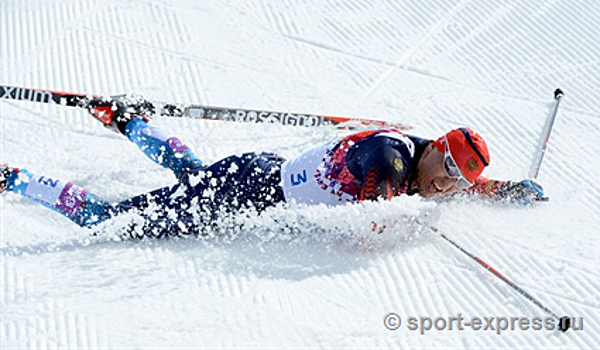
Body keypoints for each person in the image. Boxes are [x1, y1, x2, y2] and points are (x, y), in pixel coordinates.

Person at [0, 96, 545, 238]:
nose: (446, 183)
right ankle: (13, 177)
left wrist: (506, 191)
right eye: (447, 167)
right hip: (245, 193)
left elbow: (455, 187)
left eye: (457, 177)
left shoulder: (428, 164)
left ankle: (131, 121)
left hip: (257, 176)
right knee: (111, 222)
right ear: (433, 149)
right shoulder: (390, 158)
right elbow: (370, 226)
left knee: (193, 171)